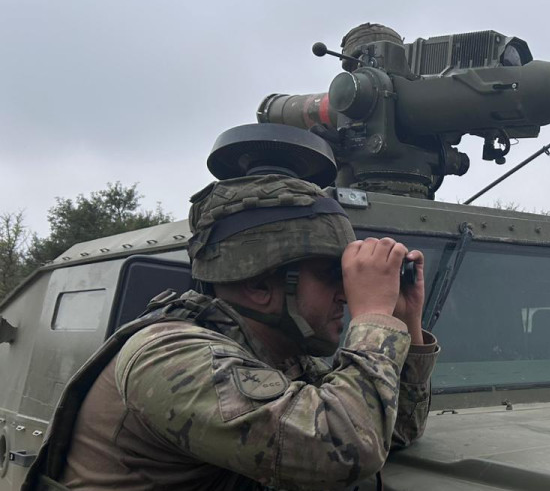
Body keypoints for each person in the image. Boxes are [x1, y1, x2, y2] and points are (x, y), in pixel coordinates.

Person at [24, 175, 439, 491]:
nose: (346, 296)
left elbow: (392, 431)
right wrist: (373, 319)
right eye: (333, 275)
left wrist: (406, 322)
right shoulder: (170, 358)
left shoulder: (277, 357)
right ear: (259, 287)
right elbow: (344, 451)